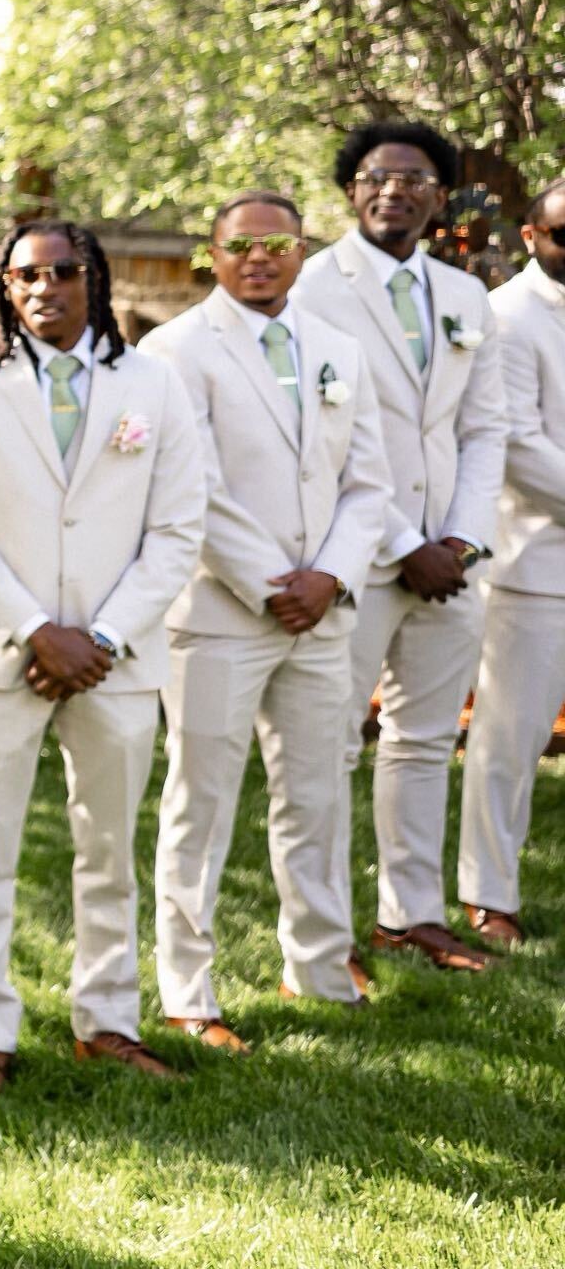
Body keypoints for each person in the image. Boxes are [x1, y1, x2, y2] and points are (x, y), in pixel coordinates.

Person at [0, 219, 206, 1092]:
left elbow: (177, 527)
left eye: (64, 271)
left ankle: (109, 1021)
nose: (46, 287)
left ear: (96, 279)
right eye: (26, 275)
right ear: (5, 288)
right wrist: (35, 630)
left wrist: (102, 638)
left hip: (119, 660)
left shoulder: (155, 383)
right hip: (5, 656)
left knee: (110, 846)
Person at [138, 193, 387, 1044]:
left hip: (323, 614)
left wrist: (331, 579)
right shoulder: (172, 351)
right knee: (198, 803)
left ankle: (318, 968)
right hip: (218, 613)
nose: (259, 257)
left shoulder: (338, 349)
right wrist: (270, 582)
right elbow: (189, 486)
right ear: (211, 255)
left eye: (276, 243)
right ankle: (188, 993)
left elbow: (369, 484)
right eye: (239, 245)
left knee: (317, 794)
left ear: (302, 249)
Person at [291, 121, 508, 974]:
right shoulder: (312, 289)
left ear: (438, 196)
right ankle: (324, 934)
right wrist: (405, 543)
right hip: (359, 557)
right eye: (378, 175)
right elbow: (322, 438)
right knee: (332, 746)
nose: (396, 190)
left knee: (423, 741)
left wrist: (459, 539)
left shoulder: (465, 298)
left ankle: (411, 914)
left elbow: (483, 430)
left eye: (416, 178)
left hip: (451, 567)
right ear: (352, 189)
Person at [456, 179, 565, 952]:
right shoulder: (507, 318)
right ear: (531, 237)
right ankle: (489, 895)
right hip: (537, 564)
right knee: (511, 738)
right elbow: (520, 447)